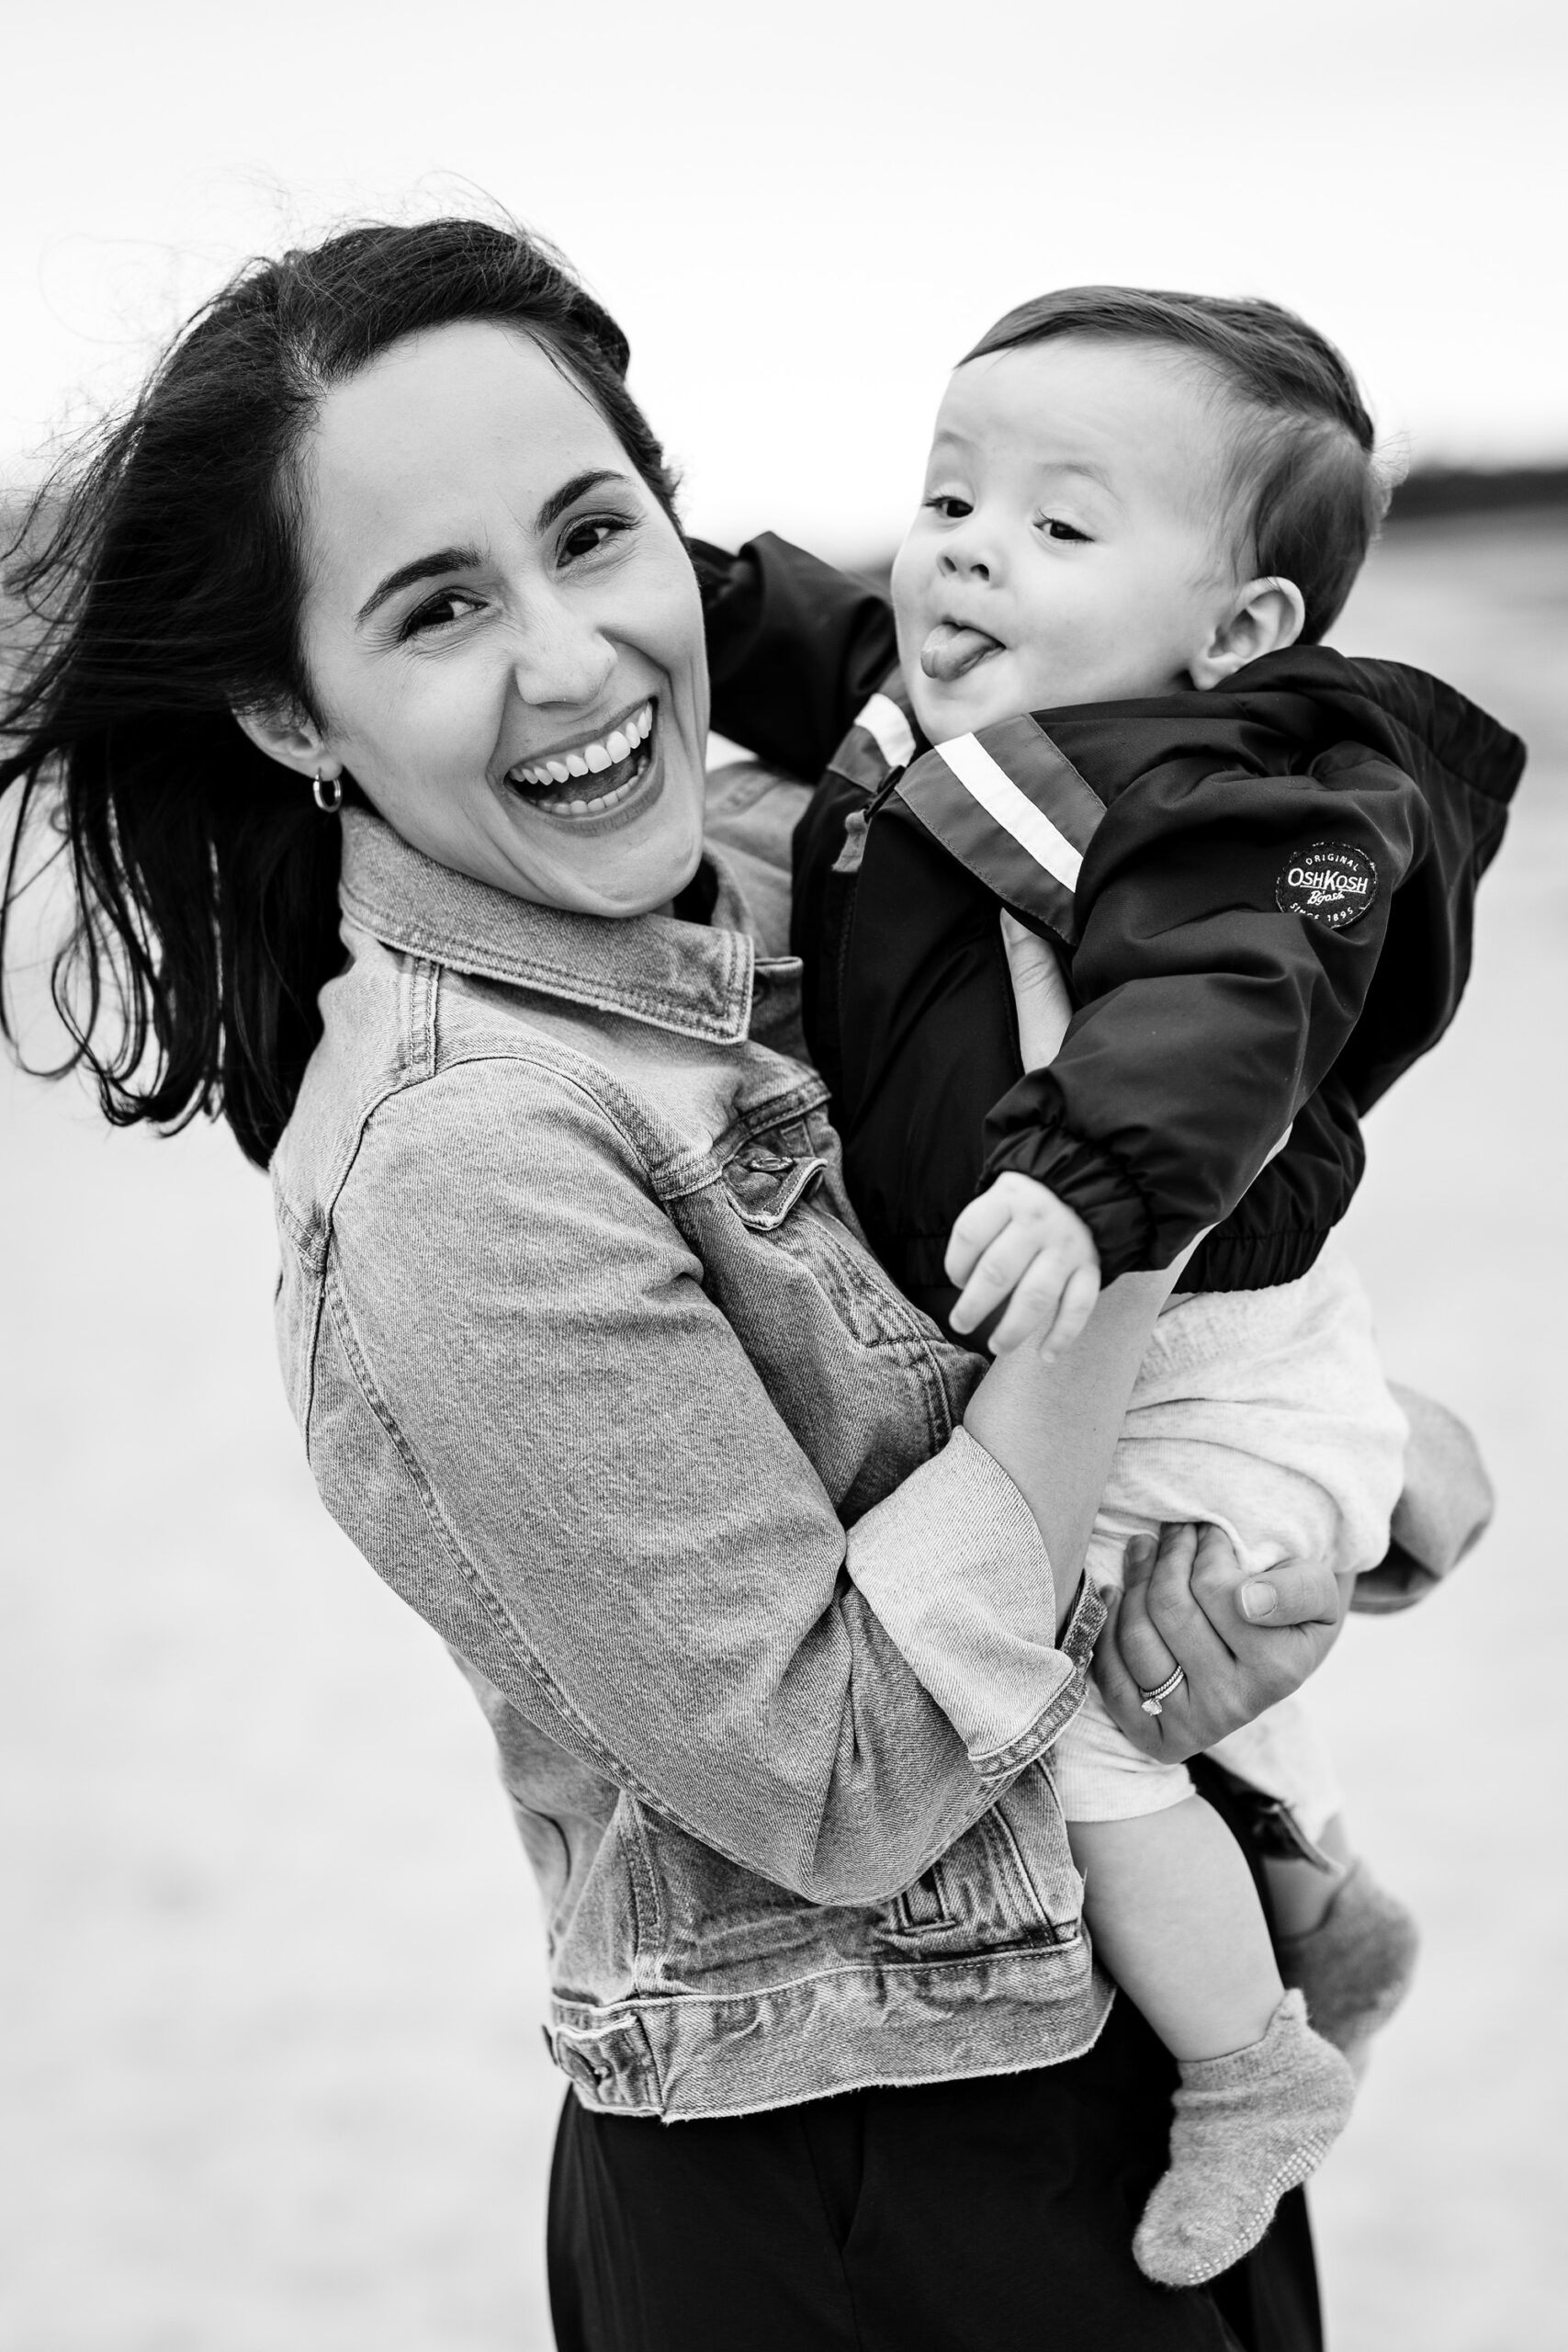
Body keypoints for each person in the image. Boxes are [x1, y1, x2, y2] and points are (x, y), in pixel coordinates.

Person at [0, 218, 1424, 2352]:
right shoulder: (463, 1159)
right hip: (852, 2177)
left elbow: (1096, 1355)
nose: (570, 658)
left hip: (1118, 2050)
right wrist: (1120, 1251)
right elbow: (840, 1770)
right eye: (438, 606)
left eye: (595, 534)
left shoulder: (794, 866)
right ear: (296, 712)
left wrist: (1341, 1516)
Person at [694, 288, 1525, 2285]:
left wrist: (1084, 1175)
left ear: (1234, 630)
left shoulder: (1245, 806)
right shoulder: (955, 713)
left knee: (1077, 1720)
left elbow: (1225, 1003)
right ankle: (1320, 1891)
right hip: (1168, 1349)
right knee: (1152, 1644)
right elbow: (782, 627)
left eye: (1059, 528)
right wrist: (667, 560)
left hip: (1206, 1350)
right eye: (949, 494)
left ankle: (1252, 2057)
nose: (968, 547)